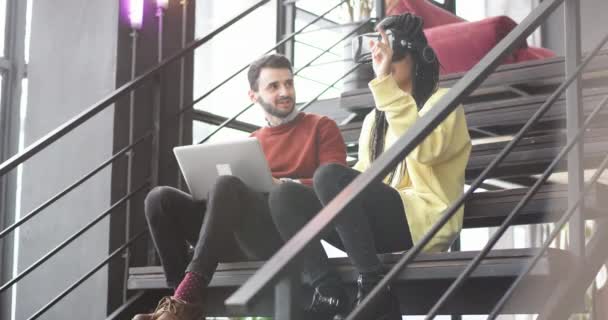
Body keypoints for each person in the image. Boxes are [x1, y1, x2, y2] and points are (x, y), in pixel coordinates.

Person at [269, 13, 471, 319]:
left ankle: (375, 285)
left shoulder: (444, 102)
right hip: (376, 224)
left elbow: (424, 149)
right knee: (284, 197)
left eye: (392, 57)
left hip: (421, 223)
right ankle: (328, 290)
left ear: (414, 57)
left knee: (328, 175)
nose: (384, 65)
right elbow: (363, 177)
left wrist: (385, 85)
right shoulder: (373, 121)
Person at [132, 53, 347, 320]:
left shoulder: (321, 127)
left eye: (289, 83)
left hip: (281, 236)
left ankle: (185, 298)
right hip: (235, 234)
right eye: (273, 86)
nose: (285, 91)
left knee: (226, 185)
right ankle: (181, 302)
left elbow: (335, 185)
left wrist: (281, 184)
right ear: (253, 95)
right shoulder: (252, 141)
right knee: (159, 199)